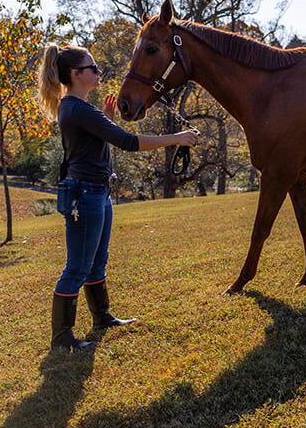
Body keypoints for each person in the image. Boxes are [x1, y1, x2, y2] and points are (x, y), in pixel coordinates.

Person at [36, 44, 198, 351]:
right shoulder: (76, 108)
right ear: (76, 74)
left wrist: (107, 117)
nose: (98, 73)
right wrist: (175, 139)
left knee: (97, 262)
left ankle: (102, 317)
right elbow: (128, 141)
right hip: (85, 194)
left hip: (97, 191)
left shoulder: (81, 109)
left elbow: (97, 141)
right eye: (93, 68)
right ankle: (62, 338)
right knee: (77, 267)